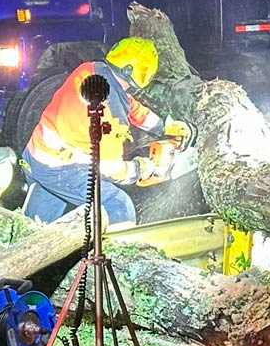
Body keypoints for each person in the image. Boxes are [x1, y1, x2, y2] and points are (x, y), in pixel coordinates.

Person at [21, 37, 191, 228]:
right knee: (118, 206)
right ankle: (118, 255)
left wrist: (163, 126)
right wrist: (141, 168)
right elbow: (111, 169)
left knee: (37, 227)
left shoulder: (90, 70)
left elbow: (129, 105)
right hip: (59, 168)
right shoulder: (110, 117)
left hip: (36, 154)